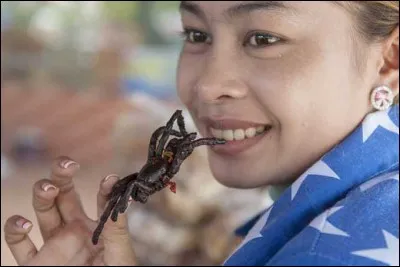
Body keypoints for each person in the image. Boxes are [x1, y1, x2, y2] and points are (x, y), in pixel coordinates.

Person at [4, 1, 399, 266]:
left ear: (388, 61)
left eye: (263, 39)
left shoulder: (328, 252)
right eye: (196, 35)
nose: (207, 85)